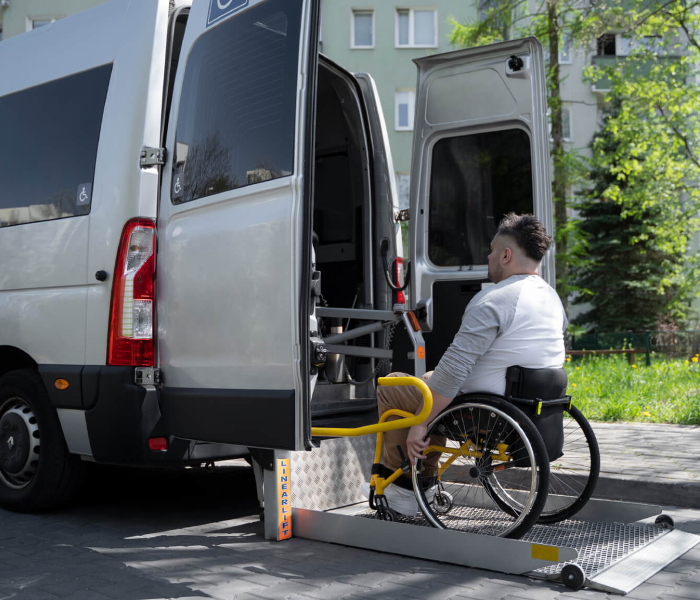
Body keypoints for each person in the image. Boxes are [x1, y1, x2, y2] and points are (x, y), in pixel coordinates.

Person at [362, 213, 567, 516]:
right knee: (430, 379)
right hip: (528, 405)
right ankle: (424, 481)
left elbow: (453, 371)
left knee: (393, 386)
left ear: (506, 255)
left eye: (492, 250)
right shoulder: (551, 298)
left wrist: (420, 424)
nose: (488, 257)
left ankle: (404, 490)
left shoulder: (494, 300)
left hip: (481, 411)